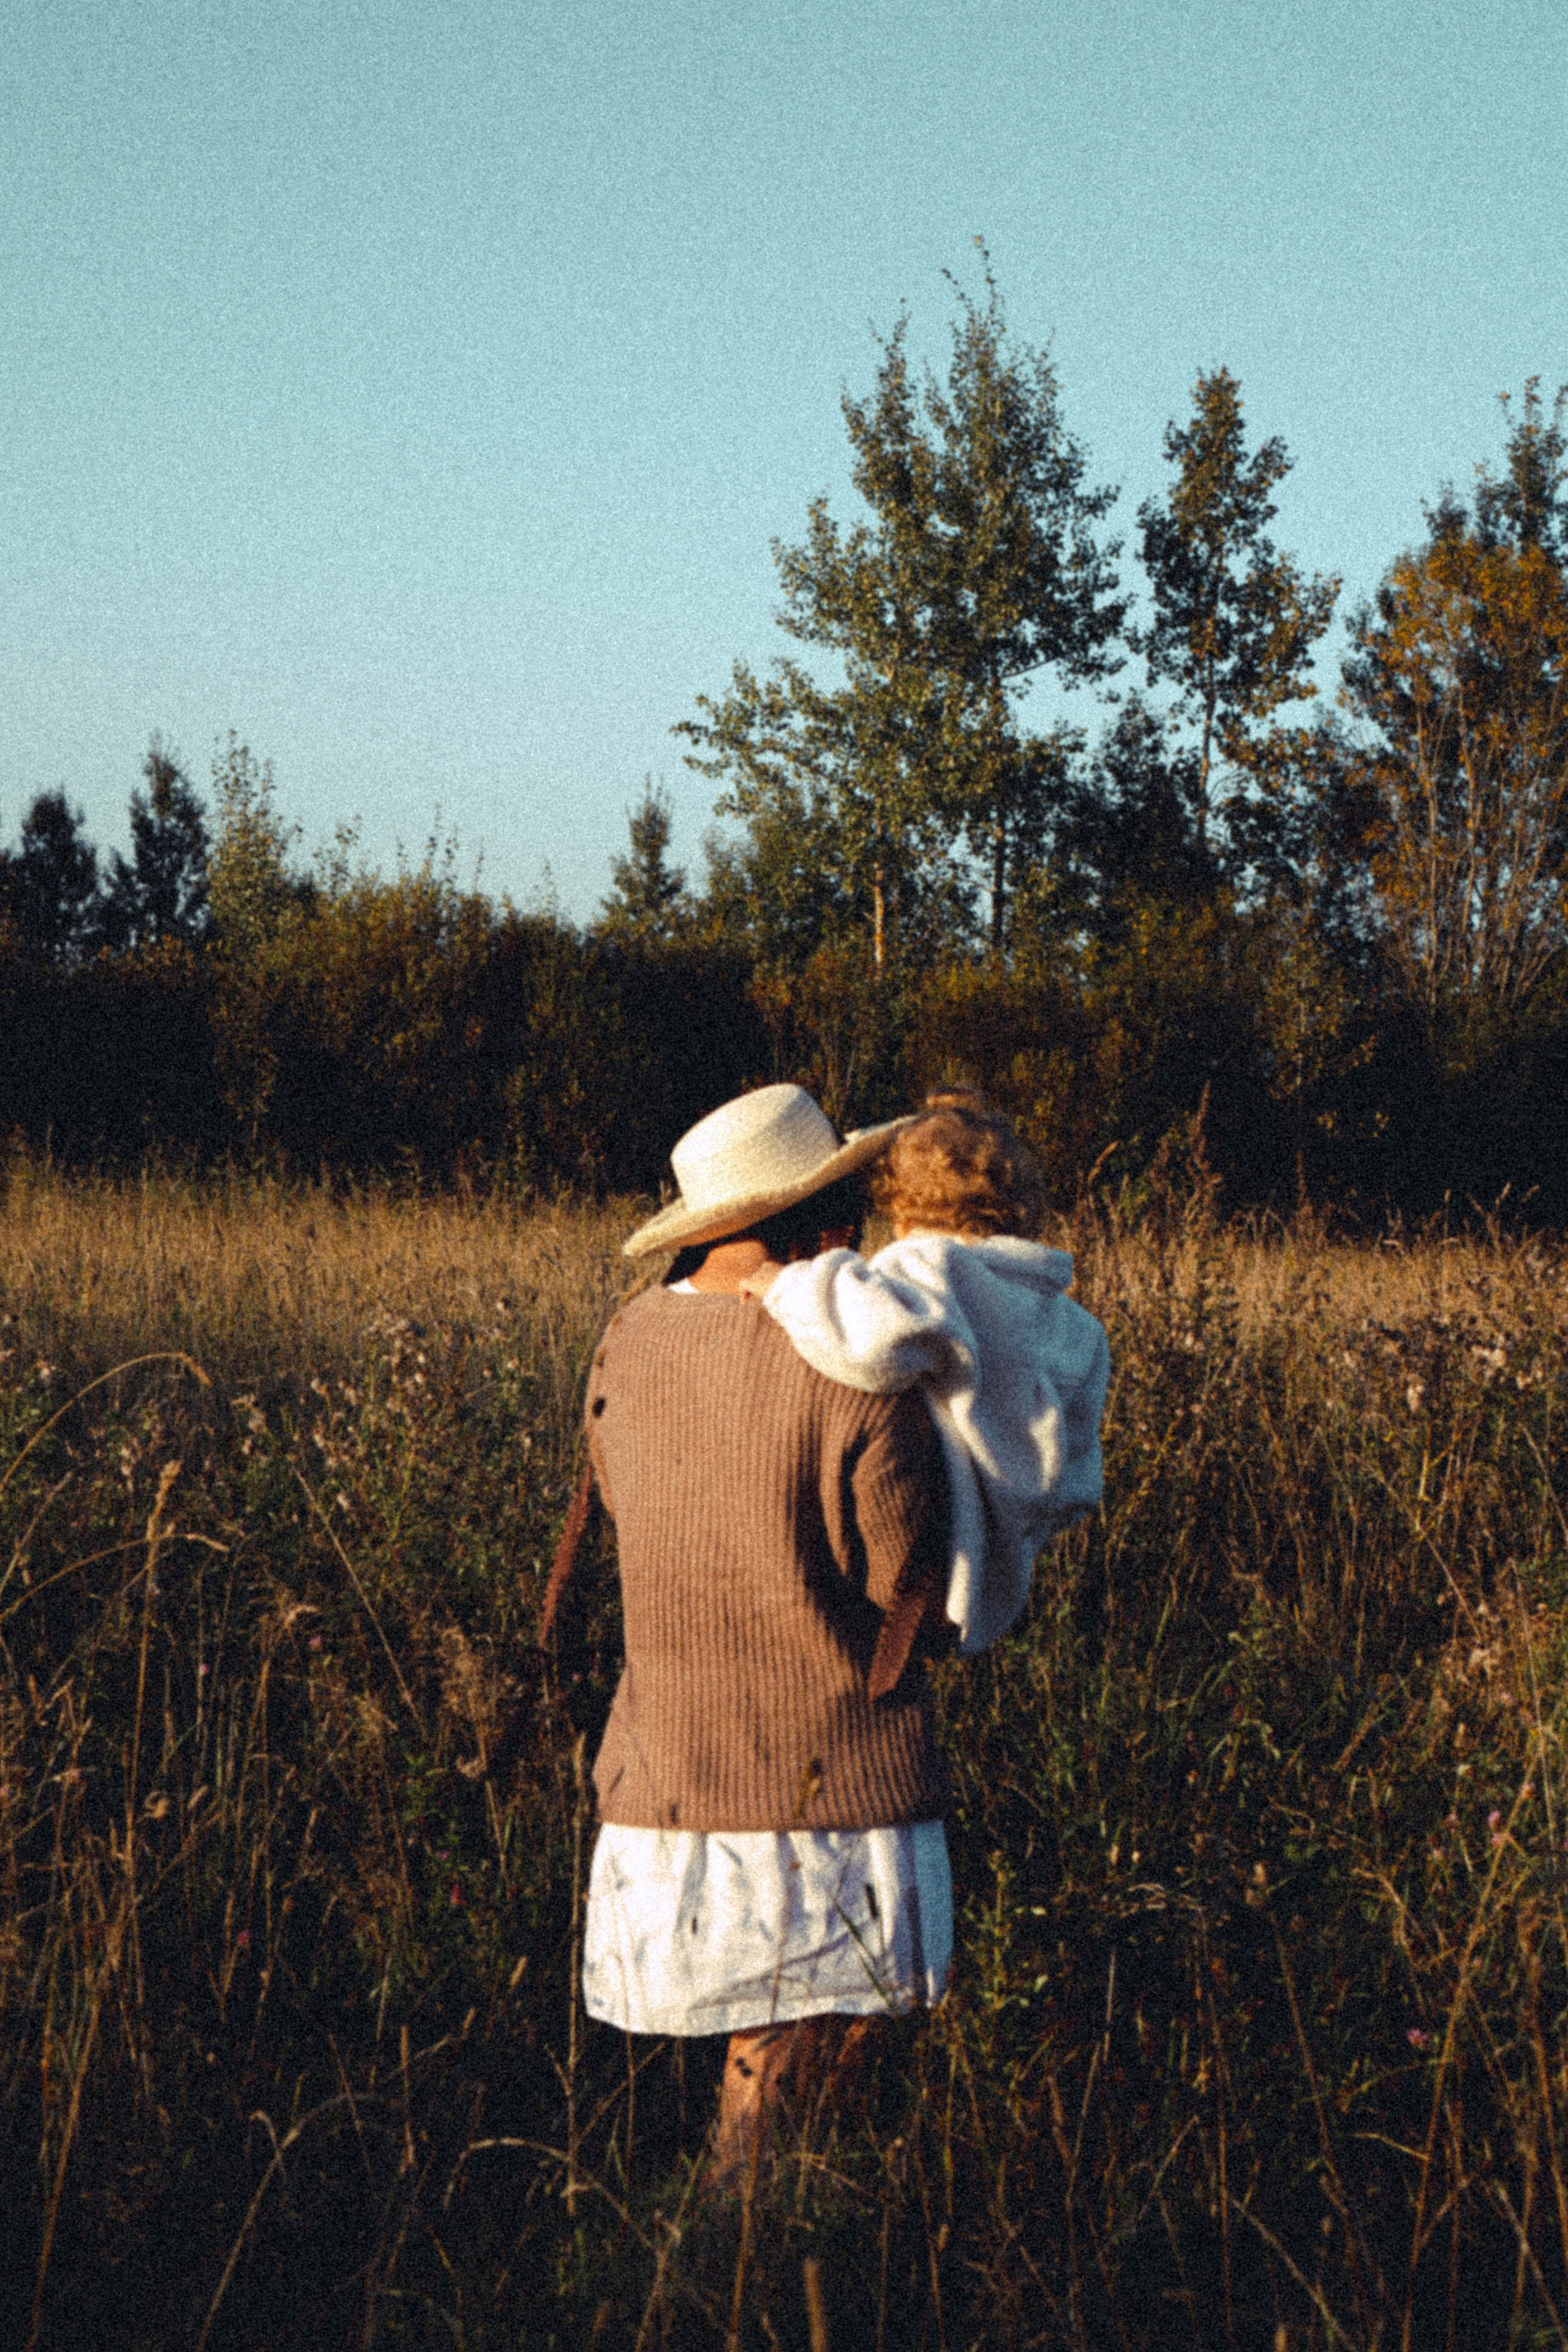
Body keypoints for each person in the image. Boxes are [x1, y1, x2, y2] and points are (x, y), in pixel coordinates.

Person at [576, 1083, 954, 2185]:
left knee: (778, 2084)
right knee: (785, 2116)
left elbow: (622, 1511)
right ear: (823, 1226)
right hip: (825, 1792)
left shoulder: (627, 1340)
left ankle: (740, 2278)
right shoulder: (855, 1364)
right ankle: (722, 2286)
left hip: (666, 1782)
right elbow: (913, 1591)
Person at [742, 1090, 1109, 1659]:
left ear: (900, 1208)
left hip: (935, 1538)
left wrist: (788, 1286)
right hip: (1017, 1530)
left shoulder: (930, 1270)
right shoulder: (1071, 1320)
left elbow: (872, 1344)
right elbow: (1079, 1465)